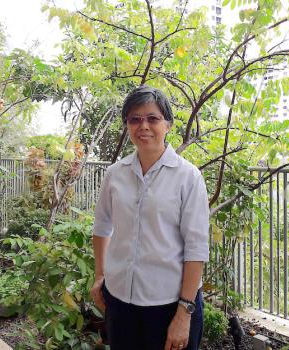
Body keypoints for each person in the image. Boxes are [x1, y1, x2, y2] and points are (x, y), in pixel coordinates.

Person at [90, 85, 210, 350]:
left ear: (167, 124)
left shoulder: (187, 178)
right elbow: (102, 227)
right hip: (120, 302)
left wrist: (184, 313)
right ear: (127, 126)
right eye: (135, 119)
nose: (143, 126)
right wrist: (100, 275)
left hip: (170, 305)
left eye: (152, 118)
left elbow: (196, 248)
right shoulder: (115, 174)